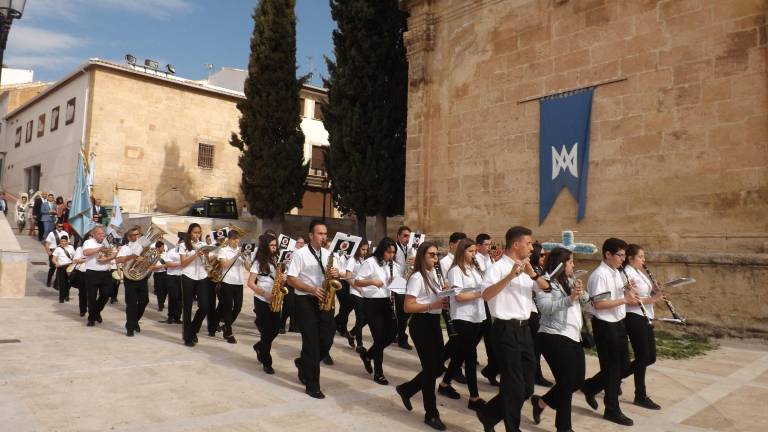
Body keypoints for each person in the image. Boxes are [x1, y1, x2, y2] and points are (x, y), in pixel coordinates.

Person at [476, 226, 552, 432]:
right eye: (528, 243)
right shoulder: (497, 268)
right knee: (513, 385)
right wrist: (509, 276)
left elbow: (547, 288)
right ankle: (512, 427)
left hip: (525, 329)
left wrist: (533, 275)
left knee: (527, 387)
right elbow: (486, 295)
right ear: (516, 244)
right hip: (505, 329)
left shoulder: (528, 268)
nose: (532, 247)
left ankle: (488, 413)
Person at [530, 247, 589, 432]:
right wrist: (570, 299)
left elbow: (585, 300)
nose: (573, 265)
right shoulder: (544, 281)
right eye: (570, 262)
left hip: (573, 335)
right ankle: (564, 428)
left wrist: (580, 291)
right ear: (561, 264)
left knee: (577, 382)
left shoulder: (570, 279)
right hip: (553, 335)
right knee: (566, 383)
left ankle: (541, 403)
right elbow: (545, 308)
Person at [581, 237, 637, 426]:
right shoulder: (600, 275)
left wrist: (627, 291)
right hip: (605, 325)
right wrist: (624, 300)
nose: (623, 259)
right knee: (612, 370)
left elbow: (616, 295)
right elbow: (599, 303)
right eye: (620, 255)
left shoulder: (616, 272)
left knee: (622, 367)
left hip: (618, 322)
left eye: (624, 255)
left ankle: (590, 386)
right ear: (608, 254)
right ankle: (611, 409)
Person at [395, 242, 449, 431]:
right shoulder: (417, 277)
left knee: (435, 369)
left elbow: (434, 298)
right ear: (422, 256)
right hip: (421, 324)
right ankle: (431, 414)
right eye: (431, 255)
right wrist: (432, 306)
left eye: (437, 255)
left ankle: (407, 389)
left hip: (433, 323)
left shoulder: (434, 274)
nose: (435, 259)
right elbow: (407, 306)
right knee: (430, 370)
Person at [285, 220, 340, 399]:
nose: (323, 237)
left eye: (325, 234)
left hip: (325, 299)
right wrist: (311, 289)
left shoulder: (328, 254)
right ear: (311, 235)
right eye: (320, 233)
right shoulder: (300, 254)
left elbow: (340, 274)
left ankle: (303, 363)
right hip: (305, 300)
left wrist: (336, 274)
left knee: (327, 340)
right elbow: (291, 279)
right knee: (312, 343)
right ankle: (312, 384)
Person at [437, 238, 487, 410]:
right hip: (462, 317)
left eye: (474, 251)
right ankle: (474, 397)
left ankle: (444, 385)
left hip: (477, 317)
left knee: (459, 355)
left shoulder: (474, 269)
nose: (474, 254)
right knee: (471, 358)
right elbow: (458, 296)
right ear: (462, 252)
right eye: (471, 251)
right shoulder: (455, 271)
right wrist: (480, 293)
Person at [621, 244, 663, 410]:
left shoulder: (639, 272)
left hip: (645, 315)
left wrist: (655, 289)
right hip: (634, 317)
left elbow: (645, 292)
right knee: (643, 356)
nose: (643, 260)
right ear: (630, 258)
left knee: (649, 357)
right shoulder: (626, 274)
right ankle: (640, 395)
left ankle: (606, 380)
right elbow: (632, 300)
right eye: (640, 257)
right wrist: (653, 299)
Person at [354, 237, 399, 385]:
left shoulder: (393, 264)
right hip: (372, 303)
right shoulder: (370, 262)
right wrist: (372, 281)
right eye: (389, 252)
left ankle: (368, 355)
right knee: (379, 337)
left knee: (391, 334)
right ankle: (378, 373)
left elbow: (396, 282)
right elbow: (357, 281)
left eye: (393, 252)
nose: (391, 255)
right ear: (382, 250)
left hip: (387, 302)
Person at [248, 234, 281, 374]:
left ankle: (259, 346)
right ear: (266, 246)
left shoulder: (277, 260)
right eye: (272, 245)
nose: (274, 248)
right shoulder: (257, 262)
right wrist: (264, 293)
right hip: (262, 299)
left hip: (275, 299)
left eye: (275, 245)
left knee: (275, 330)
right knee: (267, 331)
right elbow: (250, 283)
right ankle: (266, 361)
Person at [178, 223, 212, 347]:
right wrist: (195, 254)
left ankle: (193, 330)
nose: (197, 235)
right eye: (195, 232)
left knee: (205, 306)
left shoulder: (203, 245)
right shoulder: (183, 245)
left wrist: (207, 256)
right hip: (188, 276)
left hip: (202, 276)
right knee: (187, 308)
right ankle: (187, 337)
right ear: (190, 233)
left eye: (199, 233)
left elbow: (207, 263)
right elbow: (183, 263)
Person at [116, 226, 150, 337]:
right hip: (129, 277)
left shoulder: (144, 246)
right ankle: (130, 327)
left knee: (144, 301)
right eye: (134, 235)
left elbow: (151, 257)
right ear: (129, 237)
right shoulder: (126, 247)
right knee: (131, 304)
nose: (136, 237)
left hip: (141, 276)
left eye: (138, 234)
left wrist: (146, 260)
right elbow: (118, 259)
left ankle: (134, 321)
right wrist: (133, 257)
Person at [82, 225, 118, 326]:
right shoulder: (88, 242)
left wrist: (113, 255)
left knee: (107, 294)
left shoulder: (108, 242)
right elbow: (86, 252)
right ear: (93, 234)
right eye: (99, 234)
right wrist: (100, 249)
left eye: (103, 234)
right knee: (92, 297)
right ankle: (91, 318)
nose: (102, 236)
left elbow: (113, 253)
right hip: (92, 273)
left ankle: (96, 311)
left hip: (105, 272)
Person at [476, 233, 499, 387]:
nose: (489, 247)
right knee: (475, 338)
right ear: (478, 246)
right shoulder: (474, 259)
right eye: (486, 245)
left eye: (490, 244)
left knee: (491, 339)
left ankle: (491, 370)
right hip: (478, 301)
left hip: (489, 302)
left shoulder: (491, 259)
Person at [529, 242, 554, 388]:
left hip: (540, 311)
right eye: (542, 254)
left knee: (537, 346)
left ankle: (536, 374)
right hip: (532, 310)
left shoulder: (540, 269)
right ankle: (535, 375)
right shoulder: (531, 270)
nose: (545, 257)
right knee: (535, 346)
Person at [215, 230, 245, 344]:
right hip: (227, 282)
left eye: (238, 239)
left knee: (238, 307)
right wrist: (237, 255)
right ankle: (229, 332)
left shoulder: (241, 250)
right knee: (228, 307)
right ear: (229, 239)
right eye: (234, 239)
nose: (237, 241)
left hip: (239, 282)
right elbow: (224, 265)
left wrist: (245, 257)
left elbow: (247, 267)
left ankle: (225, 326)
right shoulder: (223, 250)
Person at [345, 239, 369, 352]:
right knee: (360, 318)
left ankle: (351, 333)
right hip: (355, 292)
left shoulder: (364, 260)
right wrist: (357, 288)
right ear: (358, 248)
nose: (365, 251)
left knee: (367, 317)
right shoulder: (352, 260)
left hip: (365, 292)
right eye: (363, 249)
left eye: (366, 250)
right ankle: (359, 344)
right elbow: (348, 277)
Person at [393, 226, 414, 350]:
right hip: (397, 281)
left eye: (409, 236)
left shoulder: (411, 249)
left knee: (407, 311)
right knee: (402, 311)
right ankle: (402, 338)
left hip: (408, 280)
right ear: (398, 236)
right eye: (405, 236)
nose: (407, 238)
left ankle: (398, 332)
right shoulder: (394, 248)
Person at [280, 234, 305, 334]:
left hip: (299, 282)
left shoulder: (304, 254)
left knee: (296, 305)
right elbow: (283, 265)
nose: (301, 245)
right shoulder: (289, 253)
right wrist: (284, 275)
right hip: (289, 281)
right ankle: (281, 324)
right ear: (295, 243)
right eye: (299, 243)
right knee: (288, 304)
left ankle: (293, 326)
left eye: (303, 243)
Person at [160, 238, 184, 324]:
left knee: (180, 298)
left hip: (182, 276)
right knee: (173, 296)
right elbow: (168, 264)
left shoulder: (187, 252)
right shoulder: (172, 251)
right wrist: (181, 263)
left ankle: (177, 317)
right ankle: (170, 316)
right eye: (181, 243)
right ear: (178, 243)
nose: (182, 245)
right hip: (172, 276)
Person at [51, 235, 76, 303]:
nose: (63, 242)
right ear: (60, 241)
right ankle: (61, 297)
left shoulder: (71, 247)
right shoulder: (58, 249)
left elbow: (74, 256)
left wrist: (74, 261)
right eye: (62, 241)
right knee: (62, 283)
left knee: (68, 283)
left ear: (67, 242)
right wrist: (56, 263)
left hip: (69, 267)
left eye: (65, 241)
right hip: (61, 267)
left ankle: (66, 295)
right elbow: (53, 259)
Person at [44, 222, 69, 288]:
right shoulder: (52, 233)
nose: (60, 227)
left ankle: (56, 284)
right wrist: (48, 251)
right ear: (56, 226)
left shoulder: (65, 233)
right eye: (59, 226)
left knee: (60, 269)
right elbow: (47, 243)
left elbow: (68, 243)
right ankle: (49, 280)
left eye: (61, 226)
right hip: (53, 252)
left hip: (62, 252)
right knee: (52, 268)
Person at [151, 241, 168, 312]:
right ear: (158, 248)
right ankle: (160, 305)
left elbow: (169, 263)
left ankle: (162, 301)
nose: (164, 248)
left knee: (166, 290)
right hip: (158, 274)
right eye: (162, 247)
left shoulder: (166, 254)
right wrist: (162, 266)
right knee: (159, 290)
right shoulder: (153, 255)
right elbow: (151, 267)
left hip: (166, 273)